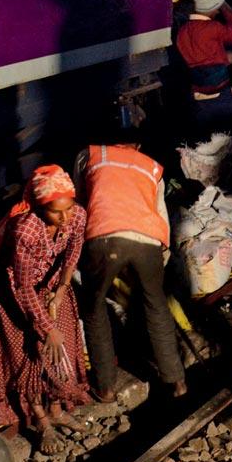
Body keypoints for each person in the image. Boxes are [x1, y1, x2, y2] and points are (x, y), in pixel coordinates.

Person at [0, 166, 90, 453]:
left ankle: (58, 409)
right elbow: (22, 287)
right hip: (9, 288)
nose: (64, 218)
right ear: (39, 208)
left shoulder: (77, 215)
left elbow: (72, 254)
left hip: (49, 282)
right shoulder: (25, 228)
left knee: (63, 344)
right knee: (28, 349)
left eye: (68, 209)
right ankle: (42, 419)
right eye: (55, 213)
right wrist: (47, 328)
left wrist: (59, 294)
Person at [75, 131, 187, 403]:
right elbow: (161, 214)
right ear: (137, 144)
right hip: (148, 241)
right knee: (156, 305)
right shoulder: (151, 165)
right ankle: (177, 381)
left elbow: (79, 204)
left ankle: (105, 388)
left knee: (94, 308)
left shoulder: (89, 155)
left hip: (104, 238)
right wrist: (162, 255)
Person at [174, 0, 232, 143]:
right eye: (216, 7)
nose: (218, 11)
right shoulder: (213, 28)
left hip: (197, 95)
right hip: (221, 92)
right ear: (211, 7)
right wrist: (225, 6)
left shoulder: (182, 31)